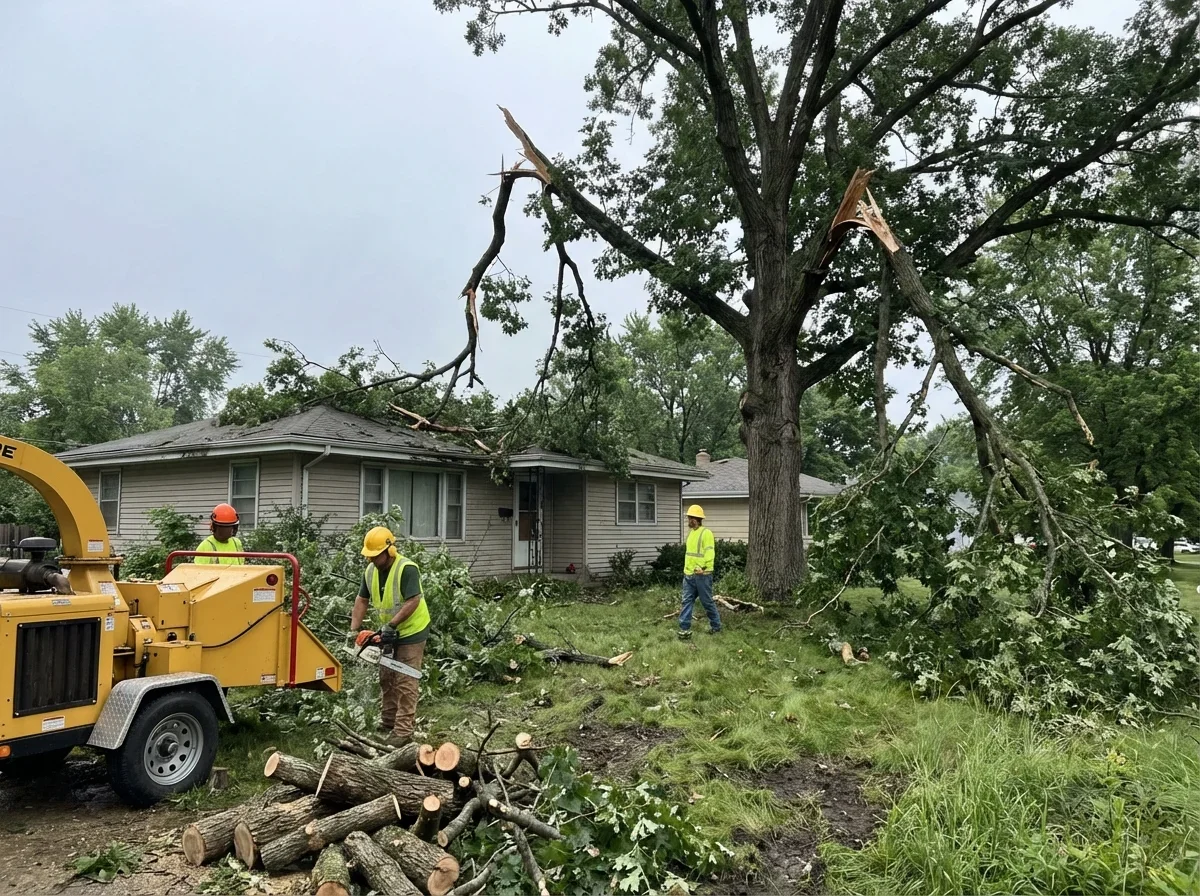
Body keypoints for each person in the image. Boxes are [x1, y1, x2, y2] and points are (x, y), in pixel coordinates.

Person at [349, 526, 430, 747]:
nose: (373, 560)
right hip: (387, 632)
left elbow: (413, 600)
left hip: (412, 630)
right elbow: (362, 600)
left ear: (389, 550)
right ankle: (388, 721)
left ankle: (403, 732)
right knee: (386, 676)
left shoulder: (407, 569)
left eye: (376, 556)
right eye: (370, 557)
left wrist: (392, 624)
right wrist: (353, 631)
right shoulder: (370, 571)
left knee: (405, 679)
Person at [678, 504, 721, 639]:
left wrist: (702, 568)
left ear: (697, 519)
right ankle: (684, 629)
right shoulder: (691, 534)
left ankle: (716, 626)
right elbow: (690, 554)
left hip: (702, 575)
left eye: (690, 517)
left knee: (707, 601)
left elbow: (709, 553)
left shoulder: (706, 533)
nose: (689, 520)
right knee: (686, 601)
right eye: (689, 517)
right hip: (689, 575)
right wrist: (687, 570)